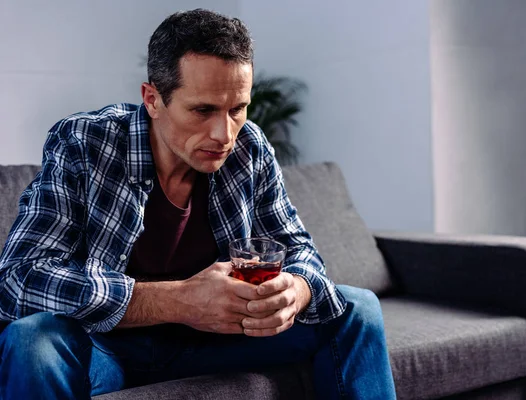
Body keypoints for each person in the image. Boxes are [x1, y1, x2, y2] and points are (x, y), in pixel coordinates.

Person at [0, 8, 396, 400]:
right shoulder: (85, 143)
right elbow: (20, 278)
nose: (224, 134)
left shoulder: (250, 148)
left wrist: (296, 291)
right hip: (110, 348)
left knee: (357, 308)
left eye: (237, 109)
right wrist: (180, 301)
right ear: (153, 99)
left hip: (221, 343)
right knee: (33, 340)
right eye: (203, 110)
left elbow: (299, 252)